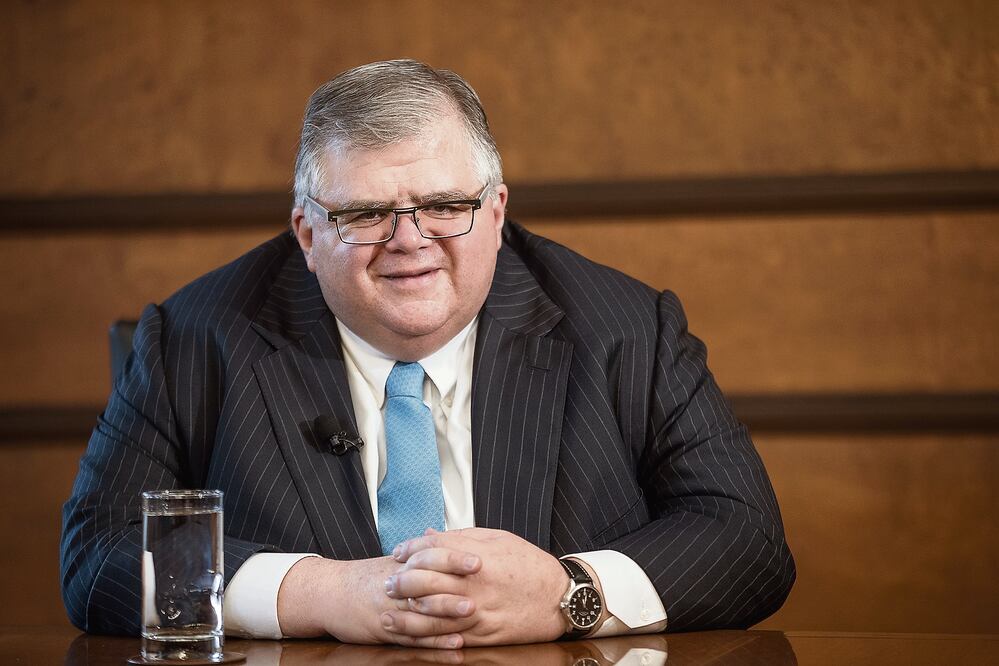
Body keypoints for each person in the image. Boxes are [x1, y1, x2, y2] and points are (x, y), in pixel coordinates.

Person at [61, 59, 794, 648]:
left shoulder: (626, 327)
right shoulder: (192, 337)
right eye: (365, 213)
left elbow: (747, 540)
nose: (409, 240)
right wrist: (325, 593)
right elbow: (99, 558)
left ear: (496, 212)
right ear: (308, 234)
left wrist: (568, 594)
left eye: (445, 205)